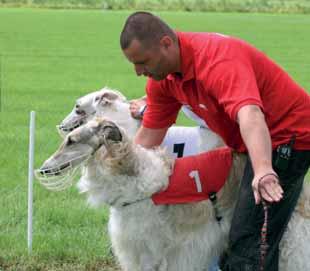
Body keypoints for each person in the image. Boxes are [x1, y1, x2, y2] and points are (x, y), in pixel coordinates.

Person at [120, 11, 310, 271]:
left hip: (288, 136)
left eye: (143, 62)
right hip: (247, 143)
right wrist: (119, 177)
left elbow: (251, 115)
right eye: (134, 64)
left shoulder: (216, 60)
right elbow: (149, 138)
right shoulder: (163, 81)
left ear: (166, 43)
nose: (138, 71)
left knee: (250, 240)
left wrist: (264, 169)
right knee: (238, 231)